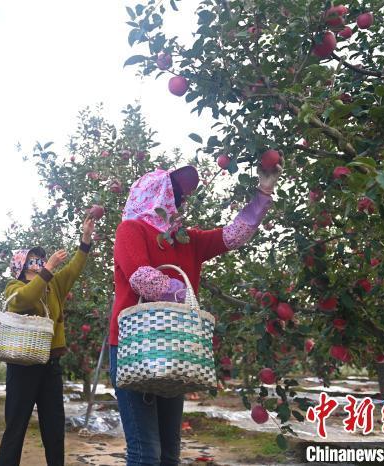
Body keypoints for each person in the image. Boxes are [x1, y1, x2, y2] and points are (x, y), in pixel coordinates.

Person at [109, 162, 283, 465]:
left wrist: (264, 192)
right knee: (145, 452)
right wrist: (185, 296)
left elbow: (233, 235)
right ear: (155, 194)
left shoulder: (186, 239)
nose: (181, 200)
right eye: (175, 192)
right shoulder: (131, 229)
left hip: (175, 347)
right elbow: (142, 277)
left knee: (170, 453)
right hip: (134, 348)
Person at [0, 216, 96, 466]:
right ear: (21, 265)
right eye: (33, 260)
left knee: (54, 428)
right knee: (15, 427)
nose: (39, 263)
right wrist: (48, 269)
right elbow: (26, 299)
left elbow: (74, 268)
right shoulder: (13, 286)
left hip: (50, 364)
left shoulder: (54, 286)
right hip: (22, 366)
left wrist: (85, 239)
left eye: (40, 259)